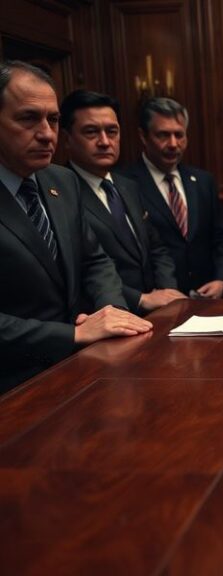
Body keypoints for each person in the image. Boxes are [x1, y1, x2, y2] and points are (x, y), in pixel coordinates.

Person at [0, 61, 151, 392]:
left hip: (79, 370)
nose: (46, 133)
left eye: (52, 120)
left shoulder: (62, 181)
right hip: (12, 384)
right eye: (28, 118)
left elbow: (94, 261)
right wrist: (73, 334)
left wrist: (113, 313)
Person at [60, 90, 186, 315]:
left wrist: (168, 292)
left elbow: (156, 247)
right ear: (67, 138)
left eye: (112, 131)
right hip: (106, 316)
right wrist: (140, 299)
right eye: (91, 132)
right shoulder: (61, 193)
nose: (104, 142)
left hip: (157, 313)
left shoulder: (127, 185)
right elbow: (80, 269)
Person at [121, 97, 223, 298]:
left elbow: (222, 238)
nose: (173, 144)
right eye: (163, 135)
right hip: (158, 302)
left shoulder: (202, 181)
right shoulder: (125, 184)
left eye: (179, 135)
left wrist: (221, 280)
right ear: (143, 136)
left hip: (207, 299)